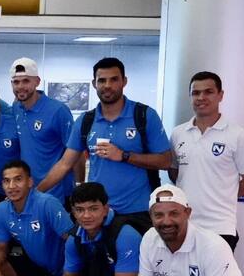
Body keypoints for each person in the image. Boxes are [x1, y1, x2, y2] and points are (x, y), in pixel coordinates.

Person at [38, 57, 171, 232]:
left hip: (138, 212)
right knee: (81, 249)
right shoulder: (86, 120)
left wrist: (124, 155)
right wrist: (35, 193)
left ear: (124, 81)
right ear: (94, 84)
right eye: (102, 80)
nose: (107, 85)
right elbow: (64, 164)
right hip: (98, 212)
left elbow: (165, 161)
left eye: (114, 79)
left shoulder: (144, 115)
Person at [169, 71, 244, 251]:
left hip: (220, 227)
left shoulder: (238, 135)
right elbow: (174, 172)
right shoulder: (178, 133)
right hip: (184, 225)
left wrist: (226, 193)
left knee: (216, 271)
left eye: (208, 92)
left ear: (220, 95)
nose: (201, 97)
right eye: (196, 93)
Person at [10, 57, 74, 204]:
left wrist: (79, 185)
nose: (20, 86)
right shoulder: (16, 108)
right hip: (28, 192)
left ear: (37, 82)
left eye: (26, 81)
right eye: (16, 82)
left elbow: (76, 153)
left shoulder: (58, 110)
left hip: (55, 193)